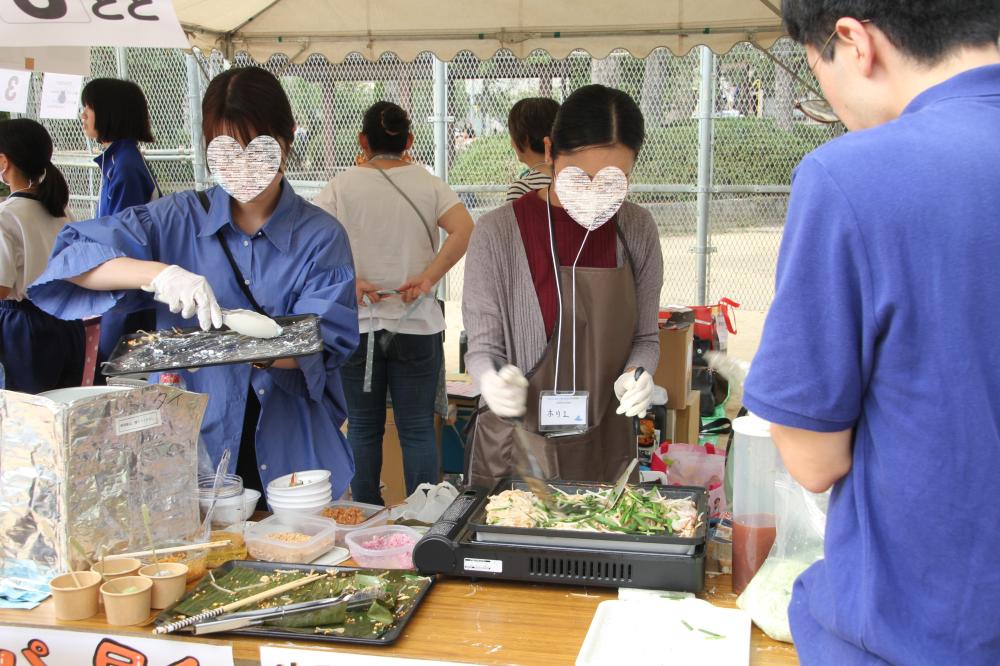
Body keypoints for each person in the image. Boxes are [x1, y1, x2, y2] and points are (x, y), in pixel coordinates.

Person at [743, 2, 1000, 663]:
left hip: (921, 634)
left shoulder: (855, 176)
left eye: (814, 66)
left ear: (854, 42)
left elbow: (812, 459)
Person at [30, 68, 360, 500]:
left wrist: (241, 342)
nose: (242, 168)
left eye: (257, 150)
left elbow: (323, 344)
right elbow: (71, 258)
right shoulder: (177, 218)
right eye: (226, 153)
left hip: (292, 449)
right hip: (188, 448)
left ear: (287, 140)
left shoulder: (321, 236)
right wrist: (157, 274)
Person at [463, 84, 663, 487]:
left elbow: (646, 336)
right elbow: (483, 347)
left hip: (604, 440)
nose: (595, 191)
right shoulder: (497, 232)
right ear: (551, 151)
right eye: (581, 176)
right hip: (516, 445)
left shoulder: (636, 229)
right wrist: (491, 379)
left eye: (614, 179)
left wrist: (639, 373)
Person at [315, 101, 474, 505]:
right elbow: (463, 229)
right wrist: (428, 277)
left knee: (364, 428)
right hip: (417, 323)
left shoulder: (340, 186)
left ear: (362, 141)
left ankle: (365, 515)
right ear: (409, 140)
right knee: (417, 427)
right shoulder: (429, 183)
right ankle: (423, 519)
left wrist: (348, 282)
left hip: (359, 327)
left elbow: (311, 242)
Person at [80, 78, 163, 379]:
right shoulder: (119, 159)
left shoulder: (125, 165)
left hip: (129, 296)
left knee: (118, 380)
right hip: (124, 292)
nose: (83, 116)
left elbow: (124, 239)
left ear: (108, 113)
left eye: (87, 109)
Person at [0, 119, 83, 393]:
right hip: (67, 322)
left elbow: (2, 287)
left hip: (25, 328)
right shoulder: (61, 209)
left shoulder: (7, 215)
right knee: (59, 413)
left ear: (4, 162)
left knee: (26, 418)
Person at [505, 97, 560, 202]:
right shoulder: (575, 181)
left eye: (512, 136)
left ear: (525, 139)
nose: (511, 144)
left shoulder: (520, 190)